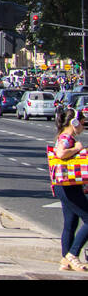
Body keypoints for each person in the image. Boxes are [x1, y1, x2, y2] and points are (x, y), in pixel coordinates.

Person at [50, 108, 88, 272]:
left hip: (65, 186)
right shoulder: (67, 138)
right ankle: (73, 254)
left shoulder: (63, 136)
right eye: (83, 123)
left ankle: (66, 260)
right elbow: (61, 153)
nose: (84, 126)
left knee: (70, 223)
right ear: (74, 122)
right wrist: (77, 148)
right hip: (68, 186)